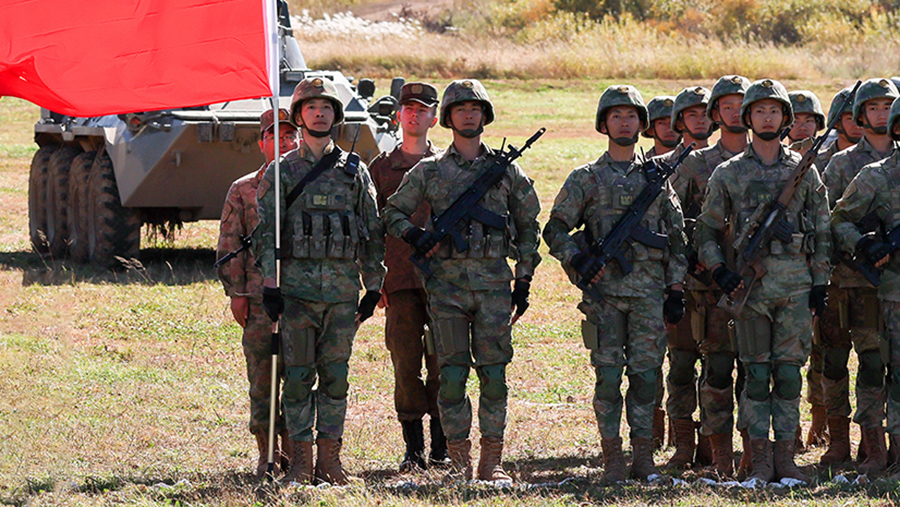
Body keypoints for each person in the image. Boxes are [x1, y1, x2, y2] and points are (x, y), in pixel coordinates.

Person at [384, 79, 541, 482]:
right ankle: (458, 462)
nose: (468, 115)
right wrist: (415, 235)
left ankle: (492, 461)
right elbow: (392, 212)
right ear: (448, 118)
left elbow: (529, 227)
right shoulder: (430, 170)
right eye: (460, 109)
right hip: (446, 290)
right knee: (451, 377)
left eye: (475, 109)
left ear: (485, 117)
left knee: (494, 375)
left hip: (494, 289)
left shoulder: (506, 172)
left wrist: (523, 281)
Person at [543, 84, 687, 484]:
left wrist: (675, 290)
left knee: (646, 378)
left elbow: (676, 238)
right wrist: (578, 260)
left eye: (631, 116)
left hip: (648, 297)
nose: (624, 122)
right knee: (607, 380)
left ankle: (644, 459)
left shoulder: (657, 178)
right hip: (604, 297)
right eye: (616, 116)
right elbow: (554, 229)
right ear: (603, 124)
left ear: (641, 124)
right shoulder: (586, 178)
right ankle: (613, 460)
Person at [696, 78, 831, 484]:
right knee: (755, 377)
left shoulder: (803, 171)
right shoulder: (729, 172)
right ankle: (759, 460)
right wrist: (720, 270)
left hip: (795, 289)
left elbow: (823, 229)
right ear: (748, 117)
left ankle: (786, 459)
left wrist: (819, 283)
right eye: (760, 111)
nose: (767, 117)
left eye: (774, 110)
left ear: (785, 118)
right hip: (750, 292)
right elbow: (706, 230)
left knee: (788, 377)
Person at [253, 77, 386, 485]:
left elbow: (372, 231)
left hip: (342, 295)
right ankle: (300, 464)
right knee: (296, 379)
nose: (319, 113)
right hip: (296, 294)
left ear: (336, 115)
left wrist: (373, 286)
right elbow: (266, 234)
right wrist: (271, 284)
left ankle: (330, 463)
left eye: (326, 107)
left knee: (335, 378)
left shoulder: (355, 171)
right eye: (311, 107)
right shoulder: (281, 172)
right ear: (299, 116)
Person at [665, 76, 751, 478]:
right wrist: (691, 257)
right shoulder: (694, 164)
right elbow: (670, 218)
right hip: (700, 288)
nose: (734, 113)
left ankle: (747, 453)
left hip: (751, 288)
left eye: (741, 104)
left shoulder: (768, 163)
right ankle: (695, 449)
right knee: (696, 369)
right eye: (727, 106)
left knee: (749, 372)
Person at [819, 78, 899, 472]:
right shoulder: (851, 167)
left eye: (887, 106)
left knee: (880, 364)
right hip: (850, 282)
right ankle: (852, 445)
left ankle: (886, 449)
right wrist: (862, 244)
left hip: (884, 286)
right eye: (873, 107)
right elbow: (829, 220)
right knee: (846, 363)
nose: (880, 114)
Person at [368, 82, 449, 471]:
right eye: (409, 109)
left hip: (443, 281)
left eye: (423, 110)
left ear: (434, 118)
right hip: (398, 281)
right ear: (398, 116)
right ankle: (413, 448)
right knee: (405, 363)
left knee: (444, 362)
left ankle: (441, 446)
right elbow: (370, 226)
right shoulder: (381, 168)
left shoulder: (448, 165)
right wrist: (375, 280)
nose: (415, 115)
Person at [217, 108, 299, 478]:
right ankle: (267, 455)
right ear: (261, 143)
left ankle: (296, 454)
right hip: (257, 297)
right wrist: (236, 292)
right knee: (262, 380)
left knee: (298, 378)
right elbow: (230, 243)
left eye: (289, 136)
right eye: (275, 137)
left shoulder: (310, 181)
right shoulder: (243, 188)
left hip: (301, 295)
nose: (284, 143)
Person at [804, 85, 863, 452]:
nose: (855, 123)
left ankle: (873, 439)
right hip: (832, 276)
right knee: (827, 355)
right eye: (847, 117)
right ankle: (825, 425)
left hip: (872, 277)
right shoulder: (822, 163)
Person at [659, 86, 713, 472]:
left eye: (705, 112)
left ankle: (712, 443)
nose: (700, 119)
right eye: (691, 114)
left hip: (721, 284)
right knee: (680, 366)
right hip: (681, 282)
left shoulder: (731, 162)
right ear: (679, 121)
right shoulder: (663, 168)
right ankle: (682, 445)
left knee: (719, 368)